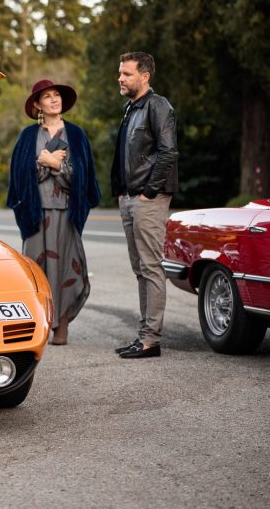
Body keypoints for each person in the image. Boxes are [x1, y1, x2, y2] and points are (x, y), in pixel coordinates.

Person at [7, 79, 101, 346]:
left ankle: (62, 326)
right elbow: (18, 176)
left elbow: (83, 176)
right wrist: (46, 163)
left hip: (66, 210)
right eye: (47, 97)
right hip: (36, 212)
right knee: (36, 268)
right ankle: (41, 323)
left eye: (56, 95)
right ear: (38, 104)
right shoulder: (28, 136)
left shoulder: (76, 134)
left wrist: (56, 167)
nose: (53, 100)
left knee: (65, 267)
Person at [111, 52, 178, 359]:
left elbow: (168, 153)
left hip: (148, 199)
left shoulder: (157, 105)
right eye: (120, 73)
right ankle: (144, 336)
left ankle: (151, 339)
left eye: (126, 74)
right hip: (129, 197)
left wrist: (148, 193)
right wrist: (121, 193)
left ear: (144, 76)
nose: (120, 78)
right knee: (140, 268)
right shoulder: (130, 108)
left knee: (151, 267)